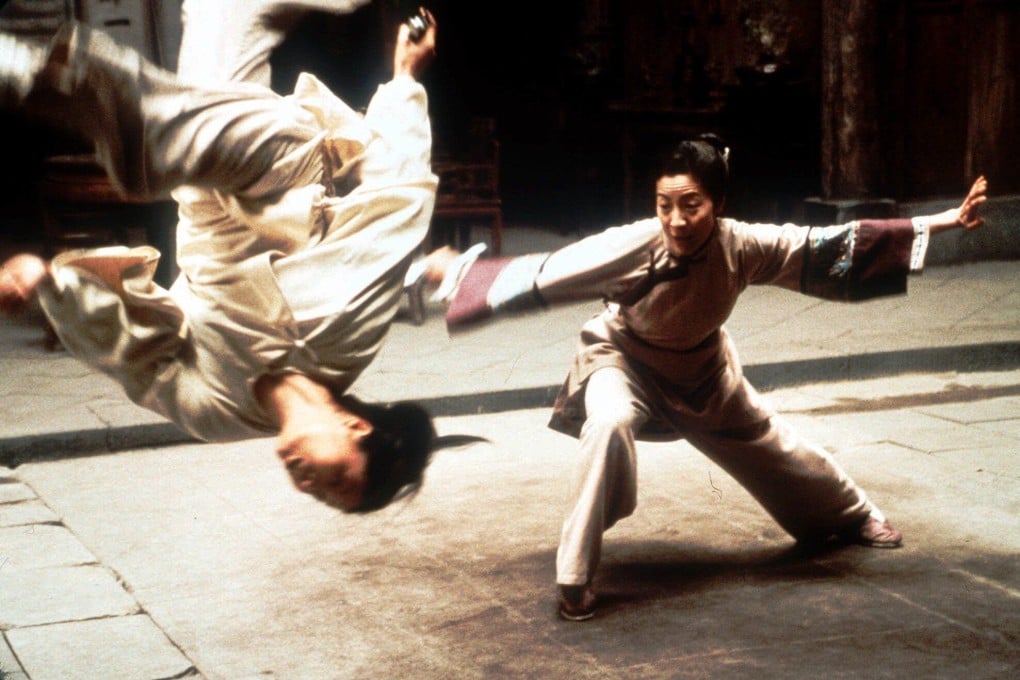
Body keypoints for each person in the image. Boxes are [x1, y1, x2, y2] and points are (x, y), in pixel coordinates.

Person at [431, 134, 988, 620]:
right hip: (621, 361)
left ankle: (854, 514)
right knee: (608, 422)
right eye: (664, 205)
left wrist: (939, 221)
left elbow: (826, 246)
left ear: (717, 205)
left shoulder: (742, 245)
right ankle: (574, 574)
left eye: (690, 205)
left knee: (773, 446)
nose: (675, 220)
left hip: (703, 371)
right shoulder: (634, 243)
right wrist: (458, 276)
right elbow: (547, 272)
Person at [0, 3, 476, 514]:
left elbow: (132, 357)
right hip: (280, 167)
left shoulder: (218, 414)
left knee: (218, 10)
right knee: (159, 145)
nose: (310, 486)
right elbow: (398, 200)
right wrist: (405, 79)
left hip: (203, 189)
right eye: (336, 480)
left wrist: (52, 288)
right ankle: (29, 73)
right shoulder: (348, 334)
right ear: (355, 426)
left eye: (322, 497)